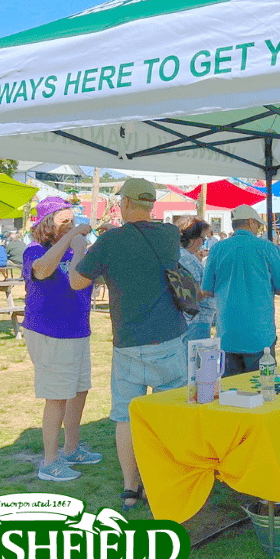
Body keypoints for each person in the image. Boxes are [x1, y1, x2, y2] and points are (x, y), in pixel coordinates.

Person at [70, 178, 187, 512]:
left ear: (124, 202)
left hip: (129, 341)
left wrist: (84, 249)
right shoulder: (169, 235)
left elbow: (77, 281)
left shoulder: (111, 241)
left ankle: (130, 486)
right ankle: (160, 479)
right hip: (168, 335)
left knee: (126, 416)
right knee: (168, 413)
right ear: (151, 204)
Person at [21, 197, 100, 483]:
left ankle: (71, 448)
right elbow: (42, 270)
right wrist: (70, 239)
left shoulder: (74, 248)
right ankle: (50, 461)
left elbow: (82, 280)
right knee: (56, 397)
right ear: (46, 223)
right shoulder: (34, 250)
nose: (71, 225)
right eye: (63, 221)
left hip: (78, 330)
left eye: (72, 220)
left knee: (79, 391)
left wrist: (81, 248)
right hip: (50, 332)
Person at [202, 204, 280, 376]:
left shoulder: (217, 249)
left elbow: (207, 289)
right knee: (262, 389)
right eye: (257, 224)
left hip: (227, 333)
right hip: (259, 335)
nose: (258, 228)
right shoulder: (267, 248)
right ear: (251, 222)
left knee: (230, 393)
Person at [176, 217, 216, 345]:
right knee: (197, 362)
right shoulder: (186, 259)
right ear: (193, 239)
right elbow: (196, 292)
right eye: (203, 239)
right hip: (196, 321)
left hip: (194, 320)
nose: (203, 243)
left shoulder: (182, 256)